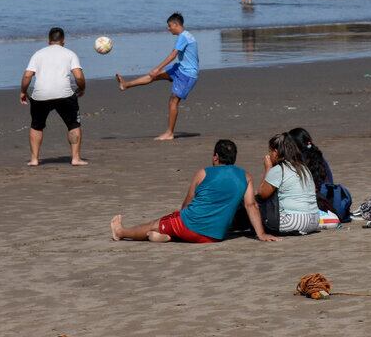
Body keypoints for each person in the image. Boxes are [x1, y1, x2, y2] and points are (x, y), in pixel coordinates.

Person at [110, 140, 278, 243]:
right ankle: (165, 236)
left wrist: (177, 218)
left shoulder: (203, 173)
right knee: (175, 226)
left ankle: (121, 232)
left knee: (156, 223)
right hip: (215, 236)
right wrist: (261, 234)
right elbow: (251, 205)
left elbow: (187, 203)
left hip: (191, 226)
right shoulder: (245, 176)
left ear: (215, 157)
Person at [116, 13, 198, 141]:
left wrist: (158, 67)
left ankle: (169, 133)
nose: (168, 28)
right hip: (180, 68)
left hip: (187, 74)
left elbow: (173, 55)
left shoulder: (184, 37)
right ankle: (125, 85)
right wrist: (157, 71)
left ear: (176, 25)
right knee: (153, 76)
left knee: (173, 101)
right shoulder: (185, 35)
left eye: (169, 26)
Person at [19, 27, 87, 166]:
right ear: (63, 41)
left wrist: (23, 91)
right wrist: (82, 88)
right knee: (73, 124)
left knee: (36, 126)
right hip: (64, 94)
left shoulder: (38, 54)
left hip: (40, 95)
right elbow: (78, 76)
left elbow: (27, 75)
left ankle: (34, 159)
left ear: (49, 40)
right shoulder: (69, 54)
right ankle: (75, 158)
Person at [256, 133, 320, 235]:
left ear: (276, 152)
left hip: (293, 221)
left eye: (270, 151)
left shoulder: (279, 169)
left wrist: (268, 168)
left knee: (254, 203)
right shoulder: (303, 168)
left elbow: (262, 194)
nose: (269, 154)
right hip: (314, 220)